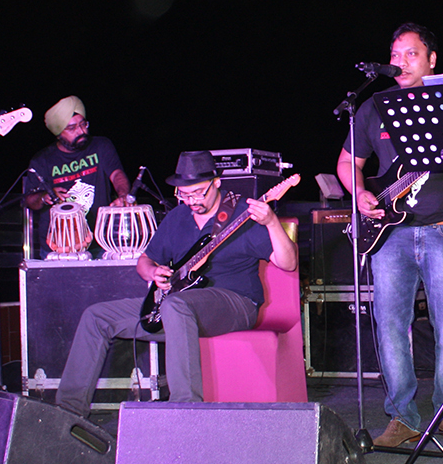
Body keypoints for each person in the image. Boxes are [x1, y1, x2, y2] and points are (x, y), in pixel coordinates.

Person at [54, 150, 297, 418]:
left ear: (216, 183)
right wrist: (153, 272)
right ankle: (67, 413)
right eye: (184, 194)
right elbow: (144, 261)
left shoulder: (243, 215)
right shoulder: (177, 217)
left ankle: (184, 411)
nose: (191, 201)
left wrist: (272, 223)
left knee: (176, 305)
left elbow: (288, 263)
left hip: (235, 303)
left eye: (198, 193)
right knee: (96, 316)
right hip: (180, 309)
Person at [337, 23, 443, 448]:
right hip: (389, 234)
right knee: (391, 324)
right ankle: (403, 417)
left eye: (412, 53)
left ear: (432, 60)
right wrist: (360, 193)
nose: (401, 62)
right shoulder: (373, 107)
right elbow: (347, 163)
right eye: (395, 54)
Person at [24, 96, 133, 257]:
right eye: (72, 128)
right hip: (59, 244)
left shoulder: (101, 146)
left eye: (83, 124)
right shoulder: (42, 160)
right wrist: (44, 197)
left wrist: (123, 195)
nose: (81, 131)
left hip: (100, 240)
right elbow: (29, 200)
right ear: (58, 133)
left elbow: (116, 173)